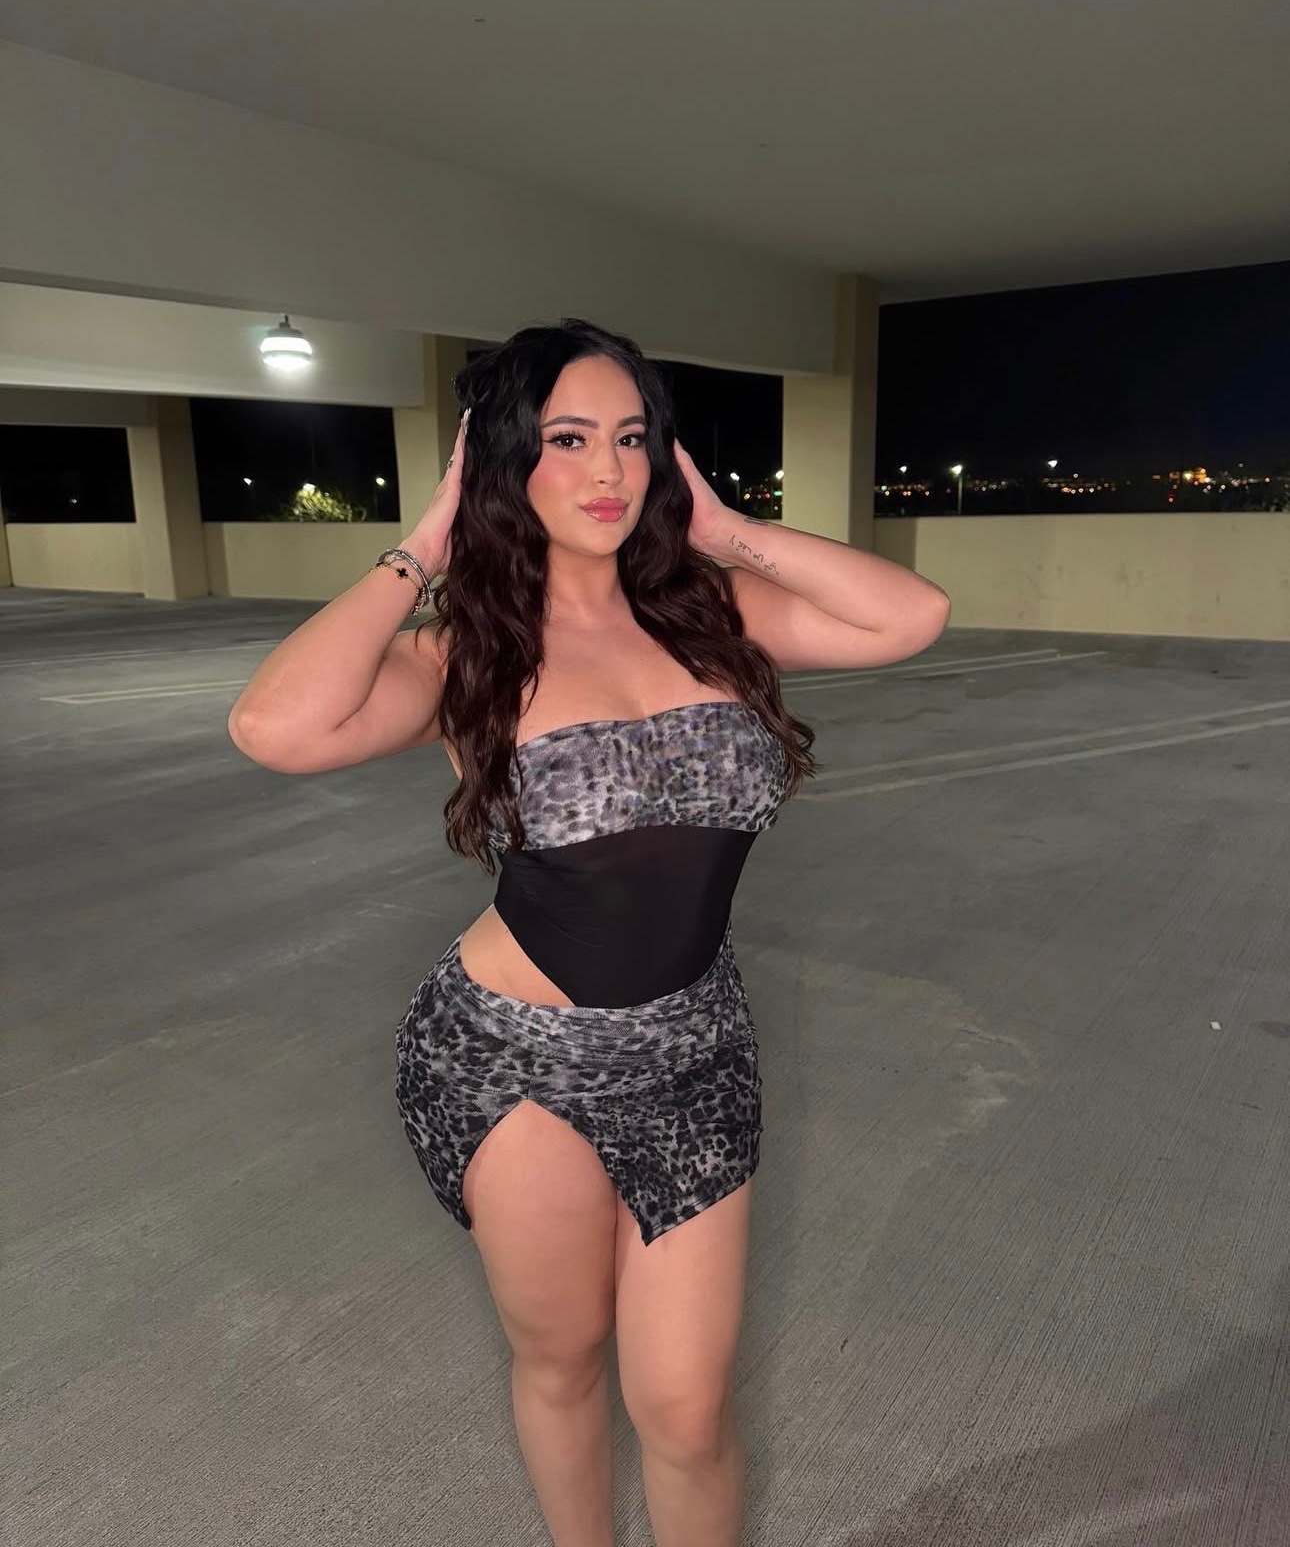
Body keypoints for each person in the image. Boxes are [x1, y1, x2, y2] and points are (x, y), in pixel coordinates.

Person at [228, 319, 951, 1547]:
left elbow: (911, 614)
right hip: (511, 1059)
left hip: (693, 1053)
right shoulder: (471, 652)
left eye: (630, 437)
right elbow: (277, 727)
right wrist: (425, 543)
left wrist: (727, 528)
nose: (608, 470)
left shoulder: (711, 610)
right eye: (567, 439)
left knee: (686, 1408)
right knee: (562, 1361)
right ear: (504, 458)